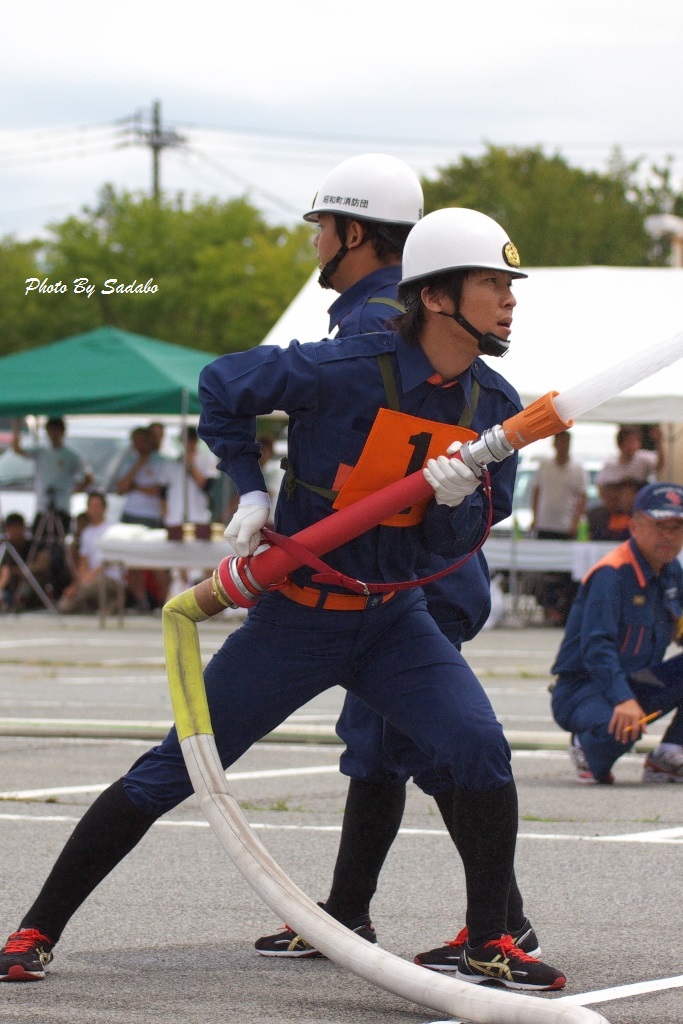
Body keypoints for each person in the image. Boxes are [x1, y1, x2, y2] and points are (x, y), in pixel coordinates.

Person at [0, 207, 565, 992]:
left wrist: (455, 502)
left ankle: (490, 941)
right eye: (491, 285)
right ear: (435, 298)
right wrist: (248, 490)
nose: (509, 301)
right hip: (295, 616)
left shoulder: (494, 405)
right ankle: (34, 929)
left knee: (477, 749)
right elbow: (220, 385)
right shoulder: (339, 367)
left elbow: (452, 546)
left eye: (510, 286)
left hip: (394, 621)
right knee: (173, 770)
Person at [255, 155, 535, 972]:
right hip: (420, 574)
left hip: (417, 576)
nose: (314, 247)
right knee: (378, 746)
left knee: (433, 747)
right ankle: (348, 915)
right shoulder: (380, 312)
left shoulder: (380, 323)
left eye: (319, 230)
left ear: (350, 231)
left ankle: (504, 926)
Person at [551, 482, 683, 785]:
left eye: (677, 527)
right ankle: (587, 746)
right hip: (584, 688)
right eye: (660, 525)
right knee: (624, 728)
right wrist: (623, 699)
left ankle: (669, 754)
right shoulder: (612, 574)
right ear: (634, 526)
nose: (669, 535)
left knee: (631, 717)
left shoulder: (672, 572)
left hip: (635, 681)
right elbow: (597, 648)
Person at [529, 431, 588, 626]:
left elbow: (582, 498)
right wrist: (535, 516)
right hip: (545, 523)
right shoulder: (544, 465)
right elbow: (536, 491)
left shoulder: (578, 468)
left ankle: (562, 610)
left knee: (565, 573)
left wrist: (575, 522)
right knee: (543, 570)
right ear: (554, 444)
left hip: (565, 527)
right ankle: (547, 608)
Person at [113, 426, 170, 609]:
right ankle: (140, 600)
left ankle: (165, 599)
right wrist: (138, 464)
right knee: (133, 561)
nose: (138, 445)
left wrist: (136, 487)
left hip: (151, 516)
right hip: (131, 513)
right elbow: (121, 487)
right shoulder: (130, 461)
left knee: (156, 561)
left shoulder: (161, 462)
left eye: (141, 441)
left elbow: (158, 490)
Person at [12, 417, 93, 535]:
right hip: (42, 507)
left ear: (63, 432)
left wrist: (73, 491)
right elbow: (17, 449)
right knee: (39, 542)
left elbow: (89, 477)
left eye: (56, 431)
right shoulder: (41, 452)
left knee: (59, 543)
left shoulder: (72, 455)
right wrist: (17, 423)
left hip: (62, 507)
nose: (53, 435)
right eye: (51, 431)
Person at [56, 492, 123, 615]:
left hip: (110, 577)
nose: (94, 509)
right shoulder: (87, 532)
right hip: (90, 577)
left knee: (88, 586)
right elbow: (83, 561)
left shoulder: (114, 529)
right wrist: (78, 581)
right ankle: (98, 605)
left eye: (97, 506)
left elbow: (108, 561)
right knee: (64, 605)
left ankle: (114, 602)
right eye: (91, 506)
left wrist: (89, 577)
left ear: (104, 508)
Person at [0, 512, 51, 611]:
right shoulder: (4, 547)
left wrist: (22, 570)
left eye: (17, 528)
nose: (14, 532)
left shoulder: (34, 546)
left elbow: (43, 563)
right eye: (11, 528)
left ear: (23, 528)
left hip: (30, 581)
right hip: (8, 585)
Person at [596, 424, 663, 487]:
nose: (632, 445)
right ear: (620, 444)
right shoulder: (610, 464)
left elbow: (659, 466)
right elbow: (600, 484)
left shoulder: (644, 458)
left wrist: (658, 442)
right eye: (629, 441)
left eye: (635, 441)